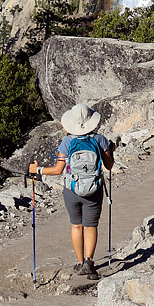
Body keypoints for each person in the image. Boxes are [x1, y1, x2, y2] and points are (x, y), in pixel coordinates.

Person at [29, 102, 115, 278]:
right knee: (90, 227)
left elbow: (57, 170)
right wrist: (111, 150)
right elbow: (109, 165)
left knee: (76, 225)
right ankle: (89, 262)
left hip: (71, 190)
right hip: (93, 190)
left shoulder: (67, 142)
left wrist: (36, 170)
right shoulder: (99, 140)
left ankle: (79, 262)